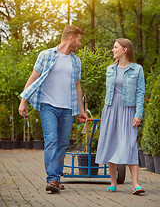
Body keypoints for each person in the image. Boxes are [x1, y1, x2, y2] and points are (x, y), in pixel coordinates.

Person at [19, 25, 88, 193]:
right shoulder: (46, 55)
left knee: (63, 144)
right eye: (78, 40)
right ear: (71, 38)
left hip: (67, 109)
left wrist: (81, 110)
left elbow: (77, 86)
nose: (79, 44)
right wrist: (23, 101)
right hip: (48, 106)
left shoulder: (75, 61)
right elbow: (33, 77)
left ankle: (56, 176)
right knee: (51, 141)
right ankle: (52, 180)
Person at [95, 38, 145, 195]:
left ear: (125, 49)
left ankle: (136, 184)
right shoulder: (110, 69)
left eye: (115, 47)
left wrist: (138, 114)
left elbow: (140, 93)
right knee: (111, 143)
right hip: (110, 110)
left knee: (130, 144)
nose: (112, 50)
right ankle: (113, 183)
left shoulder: (137, 69)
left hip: (128, 110)